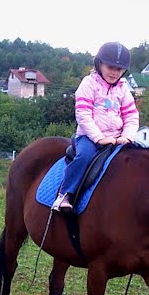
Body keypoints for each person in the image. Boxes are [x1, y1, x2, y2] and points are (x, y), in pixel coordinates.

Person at [52, 41, 139, 212]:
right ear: (99, 64)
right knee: (84, 156)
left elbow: (131, 115)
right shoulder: (89, 83)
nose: (114, 73)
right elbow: (83, 115)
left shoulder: (123, 89)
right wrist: (99, 138)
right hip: (89, 137)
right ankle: (65, 194)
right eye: (110, 67)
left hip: (117, 138)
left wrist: (127, 136)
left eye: (119, 69)